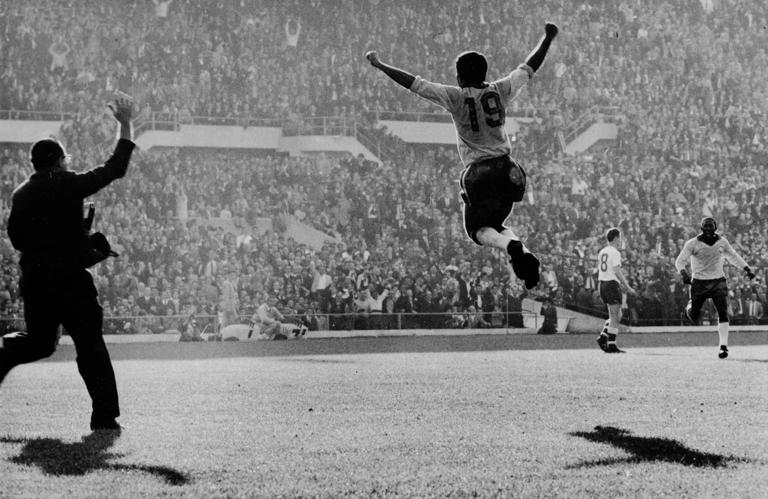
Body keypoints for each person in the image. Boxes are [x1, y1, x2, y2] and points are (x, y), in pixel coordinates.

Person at [365, 23, 560, 290]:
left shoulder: (456, 97)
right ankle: (522, 255)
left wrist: (381, 65)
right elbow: (529, 67)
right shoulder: (500, 90)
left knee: (477, 230)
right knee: (496, 224)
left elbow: (414, 84)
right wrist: (547, 38)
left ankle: (513, 246)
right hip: (510, 170)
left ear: (459, 77)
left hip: (479, 172)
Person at [0, 94, 136, 432]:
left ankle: (2, 353)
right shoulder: (70, 182)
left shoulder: (20, 194)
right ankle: (104, 416)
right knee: (90, 346)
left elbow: (17, 240)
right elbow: (115, 168)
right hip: (71, 281)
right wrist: (125, 122)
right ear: (59, 161)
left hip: (36, 281)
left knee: (40, 343)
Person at [675, 217, 755, 359]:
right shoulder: (692, 243)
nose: (708, 231)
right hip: (699, 282)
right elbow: (680, 260)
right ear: (701, 229)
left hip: (718, 280)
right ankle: (691, 306)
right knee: (694, 316)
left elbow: (733, 256)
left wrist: (746, 268)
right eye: (705, 228)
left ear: (715, 228)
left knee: (723, 312)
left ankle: (723, 346)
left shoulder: (722, 242)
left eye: (710, 228)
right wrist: (683, 273)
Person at [596, 228, 636, 353]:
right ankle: (611, 344)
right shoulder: (615, 252)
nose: (621, 240)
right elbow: (617, 271)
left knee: (617, 315)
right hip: (611, 284)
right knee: (614, 316)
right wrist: (627, 286)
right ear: (616, 238)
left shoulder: (602, 251)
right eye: (620, 237)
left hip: (603, 283)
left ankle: (603, 337)